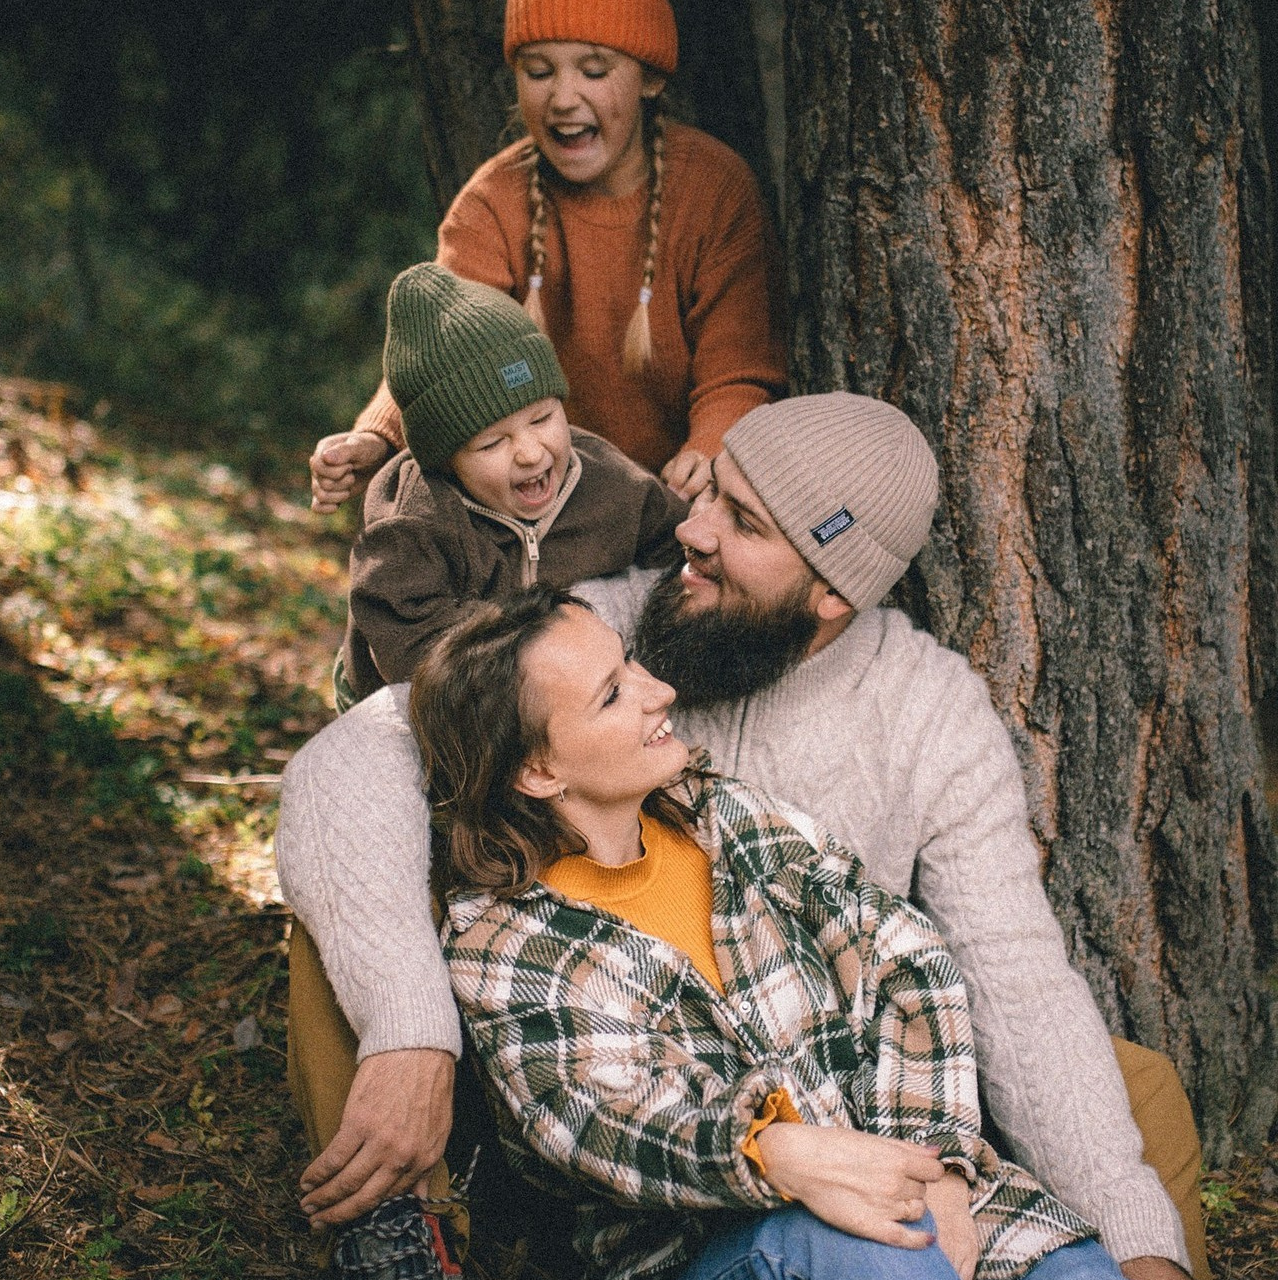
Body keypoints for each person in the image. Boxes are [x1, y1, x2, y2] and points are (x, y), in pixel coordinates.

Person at [277, 394, 1205, 1280]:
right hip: (594, 1068)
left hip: (837, 1073)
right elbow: (345, 762)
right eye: (713, 489)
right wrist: (413, 1031)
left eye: (747, 525)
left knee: (1141, 1098)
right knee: (342, 950)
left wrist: (1095, 1225)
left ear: (831, 592)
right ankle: (399, 1227)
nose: (693, 528)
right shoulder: (603, 625)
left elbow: (1005, 974)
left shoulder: (924, 718)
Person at [409, 585, 1119, 1280]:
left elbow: (902, 955)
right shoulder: (505, 948)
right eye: (612, 694)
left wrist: (935, 1169)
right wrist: (773, 1152)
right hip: (714, 1245)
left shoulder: (728, 819)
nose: (657, 690)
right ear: (537, 770)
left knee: (1072, 1268)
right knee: (867, 1255)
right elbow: (601, 1125)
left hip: (892, 1174)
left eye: (630, 661)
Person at [309, 0, 787, 513]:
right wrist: (378, 438)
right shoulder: (492, 204)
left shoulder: (715, 191)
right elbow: (441, 359)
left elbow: (740, 371)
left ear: (649, 78)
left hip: (682, 501)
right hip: (542, 503)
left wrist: (709, 446)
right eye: (539, 71)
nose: (562, 97)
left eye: (594, 70)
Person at [337, 262, 686, 707]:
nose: (530, 452)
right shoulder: (416, 521)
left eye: (542, 418)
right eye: (492, 443)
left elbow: (676, 545)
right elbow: (406, 642)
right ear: (446, 458)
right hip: (415, 700)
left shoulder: (608, 481)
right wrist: (539, 635)